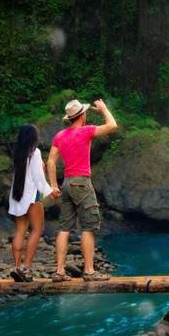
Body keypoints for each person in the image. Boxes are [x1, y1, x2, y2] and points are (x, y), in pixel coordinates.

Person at [47, 98, 117, 281]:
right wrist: (103, 109)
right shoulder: (86, 131)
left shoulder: (60, 135)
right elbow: (112, 125)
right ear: (82, 115)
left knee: (64, 228)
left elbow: (51, 161)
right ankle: (89, 271)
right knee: (88, 227)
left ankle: (59, 272)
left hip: (66, 184)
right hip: (82, 183)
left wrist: (53, 185)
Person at [7, 124, 50, 282]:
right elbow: (38, 178)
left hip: (17, 195)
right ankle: (27, 268)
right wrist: (51, 191)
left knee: (20, 230)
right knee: (38, 229)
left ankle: (17, 267)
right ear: (33, 138)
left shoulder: (17, 153)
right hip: (31, 195)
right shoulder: (35, 152)